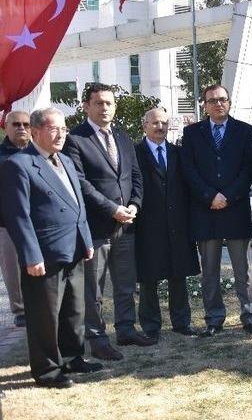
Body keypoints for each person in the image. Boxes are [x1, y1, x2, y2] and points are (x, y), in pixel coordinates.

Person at [0, 107, 101, 388]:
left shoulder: (65, 160)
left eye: (64, 129)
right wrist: (31, 256)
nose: (61, 135)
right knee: (44, 316)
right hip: (44, 255)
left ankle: (72, 357)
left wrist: (86, 240)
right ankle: (47, 370)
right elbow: (18, 216)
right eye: (54, 129)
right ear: (35, 132)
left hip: (73, 248)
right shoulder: (19, 165)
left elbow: (78, 203)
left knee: (74, 310)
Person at [64, 83, 151, 361]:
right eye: (99, 103)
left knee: (125, 284)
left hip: (126, 225)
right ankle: (97, 338)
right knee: (94, 289)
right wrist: (112, 209)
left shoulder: (123, 137)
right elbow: (80, 182)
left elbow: (135, 176)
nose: (105, 108)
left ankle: (126, 329)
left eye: (109, 103)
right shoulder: (75, 139)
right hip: (96, 227)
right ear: (86, 106)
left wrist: (134, 205)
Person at [181, 84, 252, 337]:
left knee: (243, 270)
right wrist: (210, 196)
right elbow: (189, 170)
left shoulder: (245, 131)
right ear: (205, 105)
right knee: (209, 271)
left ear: (229, 102)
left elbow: (249, 169)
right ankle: (214, 318)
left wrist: (228, 196)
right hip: (205, 211)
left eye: (222, 99)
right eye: (212, 100)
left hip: (235, 208)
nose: (218, 104)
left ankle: (250, 317)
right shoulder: (191, 133)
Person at [134, 108, 200, 340]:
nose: (160, 127)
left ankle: (181, 322)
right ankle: (151, 325)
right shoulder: (135, 153)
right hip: (147, 225)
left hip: (177, 224)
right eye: (155, 123)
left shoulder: (178, 153)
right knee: (149, 278)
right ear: (145, 125)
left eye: (163, 123)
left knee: (178, 275)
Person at [0, 111, 31, 328]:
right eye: (16, 124)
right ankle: (20, 309)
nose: (21, 128)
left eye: (26, 124)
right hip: (7, 222)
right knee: (12, 266)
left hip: (38, 220)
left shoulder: (39, 152)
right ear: (5, 127)